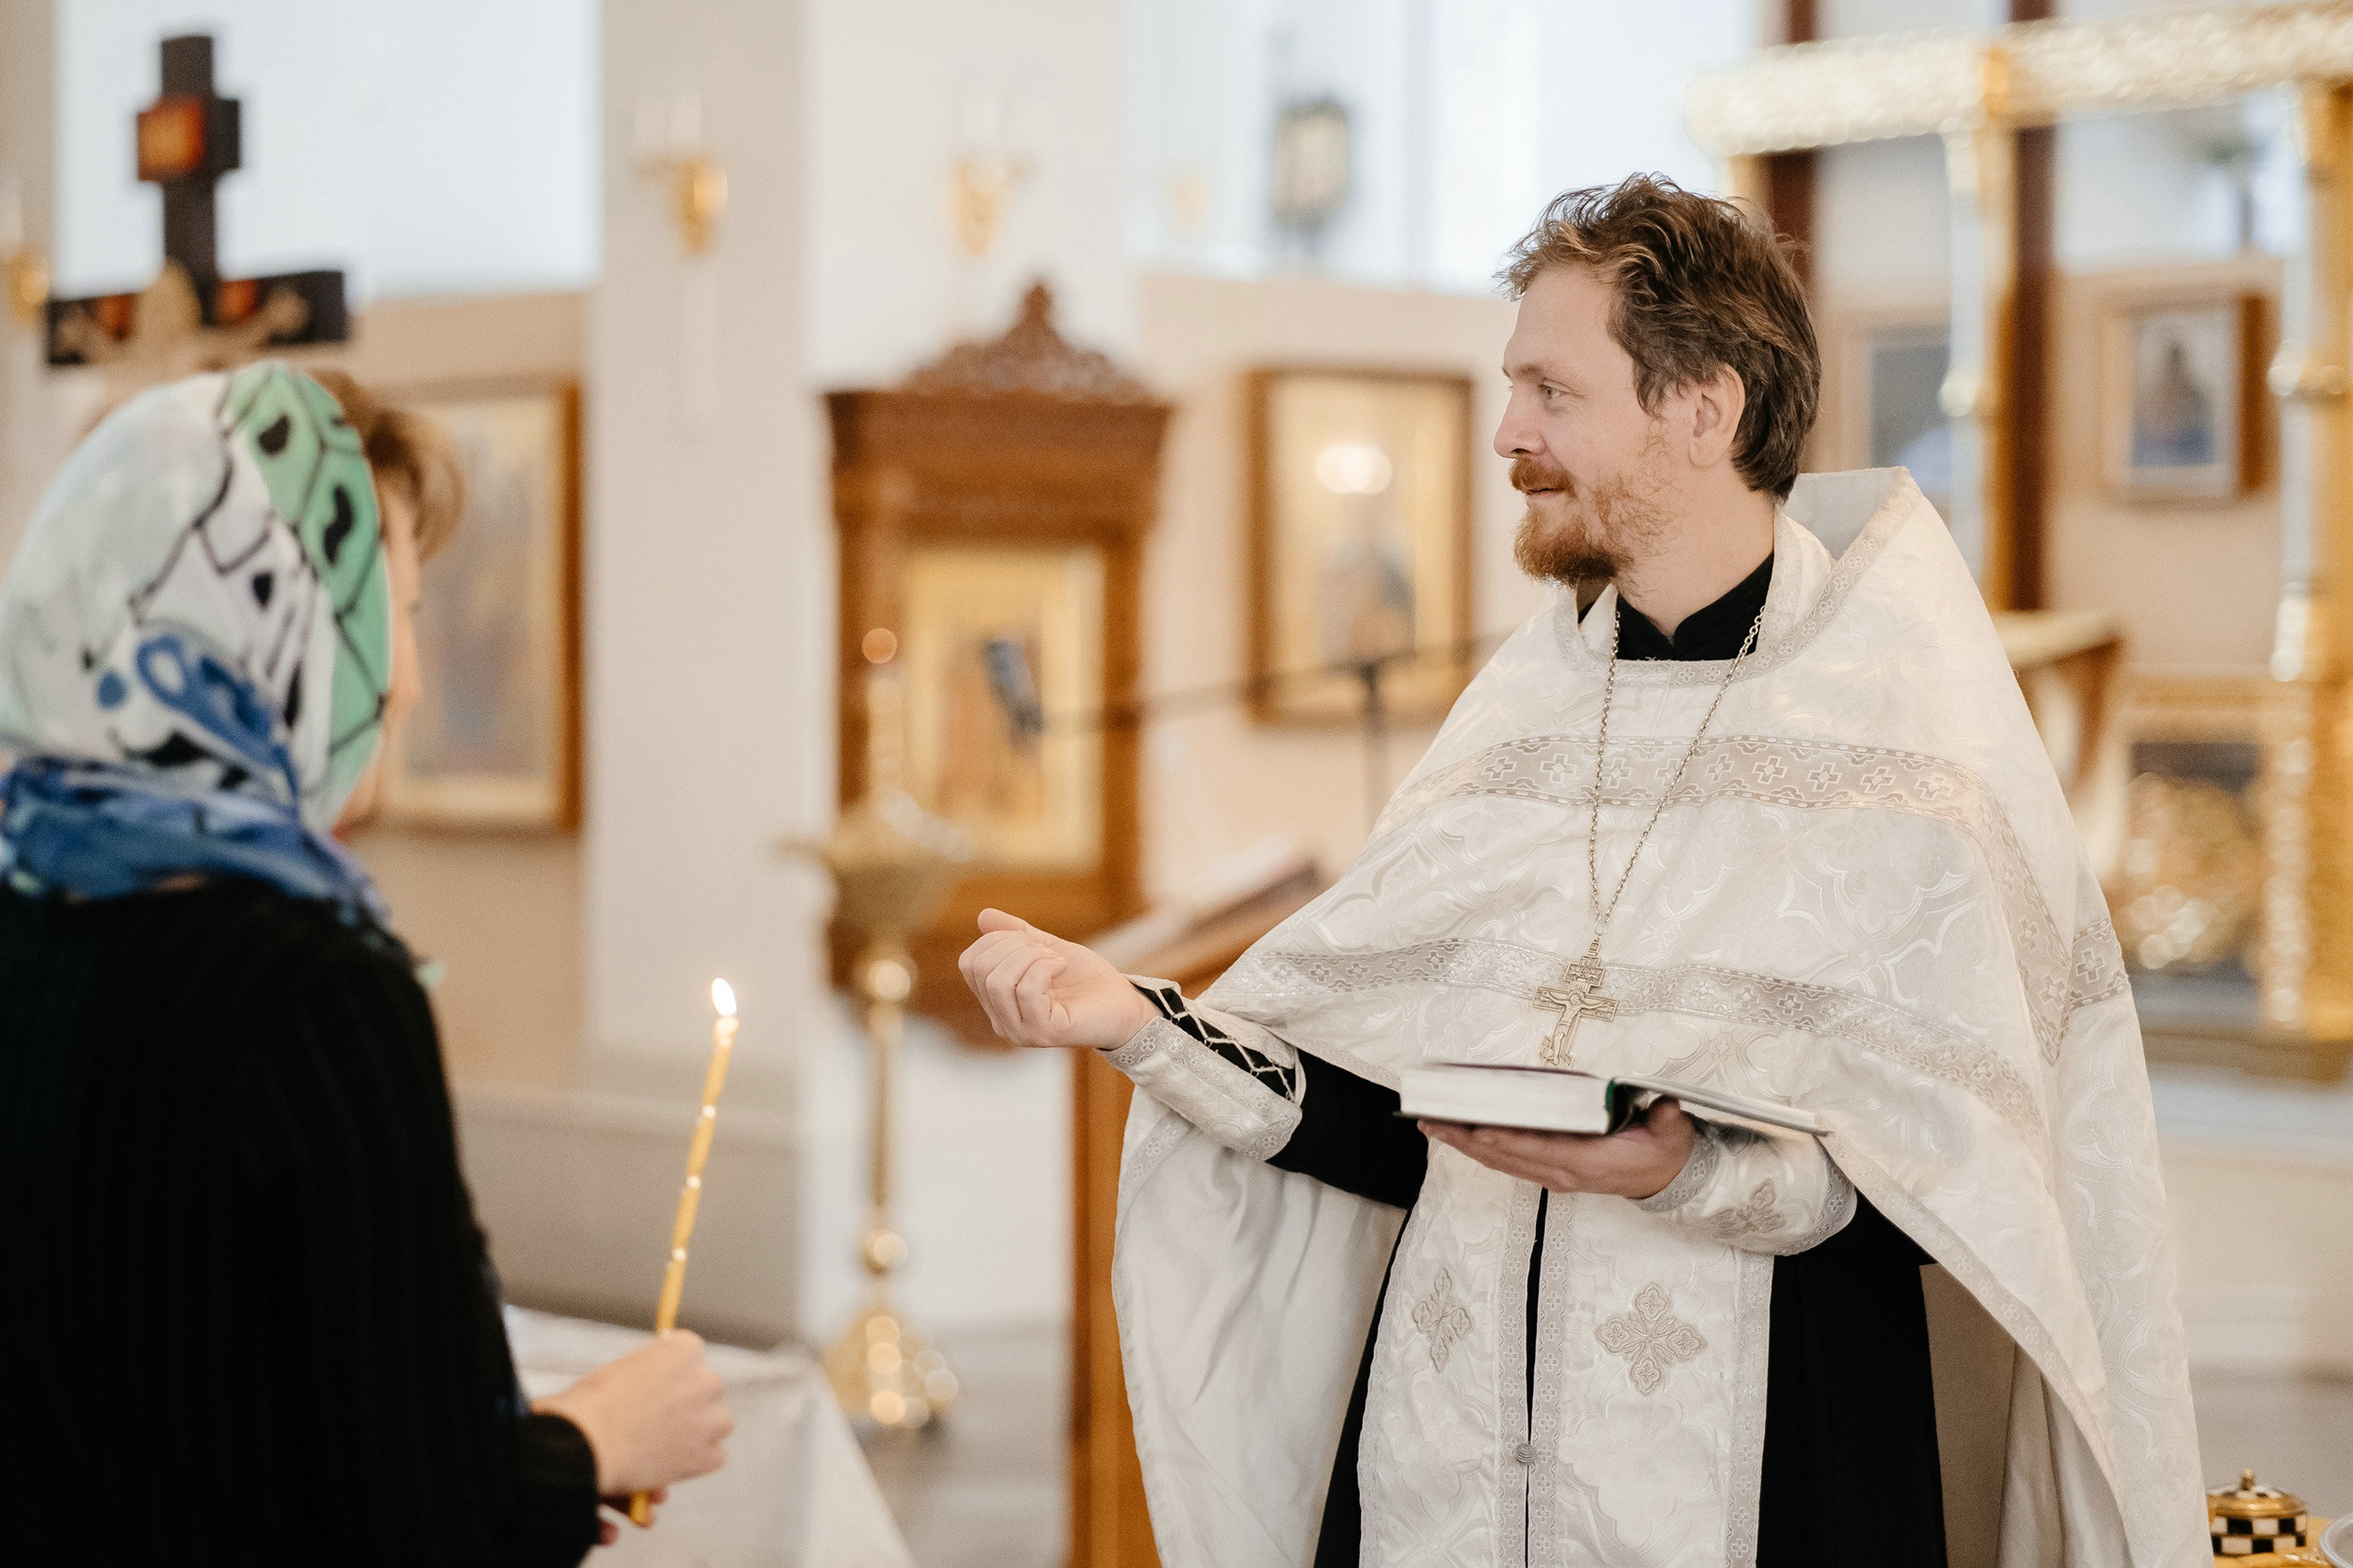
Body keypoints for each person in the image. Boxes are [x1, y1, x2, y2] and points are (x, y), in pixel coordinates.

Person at [961, 177, 2205, 1568]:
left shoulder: (1909, 750)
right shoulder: (1524, 716)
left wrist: (1684, 1168)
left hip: (1781, 1483)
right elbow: (1400, 1126)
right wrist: (1139, 1021)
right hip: (1447, 1471)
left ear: (1704, 409)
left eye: (1552, 390)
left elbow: (1975, 1207)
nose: (1508, 434)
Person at [0, 364, 732, 1564]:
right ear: (268, 626)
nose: (409, 683)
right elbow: (430, 1529)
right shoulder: (312, 986)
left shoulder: (27, 908)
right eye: (392, 605)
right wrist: (596, 1439)